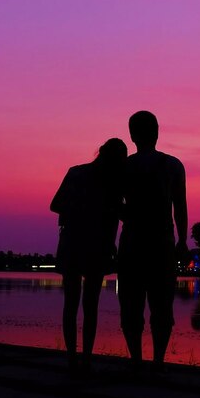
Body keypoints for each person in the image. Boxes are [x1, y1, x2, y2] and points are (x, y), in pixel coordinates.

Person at [117, 110, 187, 377]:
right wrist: (181, 240)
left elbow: (115, 206)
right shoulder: (173, 165)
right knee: (161, 304)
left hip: (133, 242)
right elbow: (179, 206)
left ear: (132, 135)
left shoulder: (125, 167)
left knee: (131, 304)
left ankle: (137, 360)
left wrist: (129, 215)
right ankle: (157, 361)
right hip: (161, 242)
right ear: (157, 132)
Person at [50, 137, 127, 375]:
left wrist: (77, 210)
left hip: (73, 243)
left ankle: (73, 358)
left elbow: (56, 205)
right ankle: (85, 359)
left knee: (71, 304)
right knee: (90, 306)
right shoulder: (114, 185)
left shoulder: (76, 173)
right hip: (97, 247)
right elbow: (121, 215)